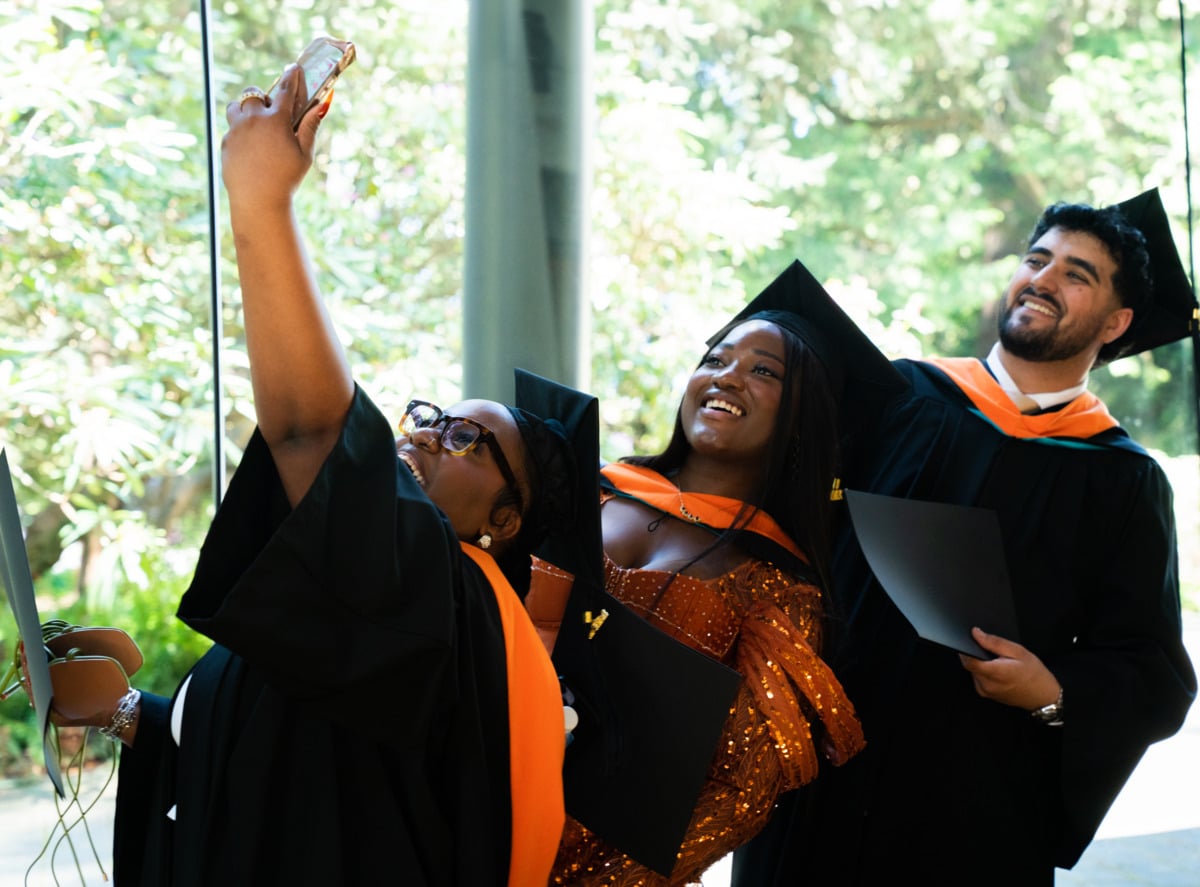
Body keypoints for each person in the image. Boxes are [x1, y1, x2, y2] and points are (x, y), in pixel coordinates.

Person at [41, 65, 586, 886]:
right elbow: (263, 755)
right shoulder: (363, 591)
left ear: (505, 520)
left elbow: (310, 429)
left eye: (469, 437)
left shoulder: (450, 598)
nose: (431, 436)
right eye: (431, 417)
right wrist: (121, 710)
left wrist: (262, 201)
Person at [732, 190, 1199, 885]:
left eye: (1077, 273)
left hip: (972, 815)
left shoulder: (1123, 481)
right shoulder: (899, 397)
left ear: (1118, 321)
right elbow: (792, 527)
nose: (1043, 278)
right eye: (1037, 259)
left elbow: (1151, 672)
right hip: (818, 780)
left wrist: (1052, 689)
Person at [538, 261, 905, 886]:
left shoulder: (779, 587)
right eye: (716, 358)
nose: (727, 376)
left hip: (596, 862)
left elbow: (739, 791)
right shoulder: (585, 490)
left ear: (802, 417)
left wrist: (585, 875)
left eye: (763, 371)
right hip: (474, 797)